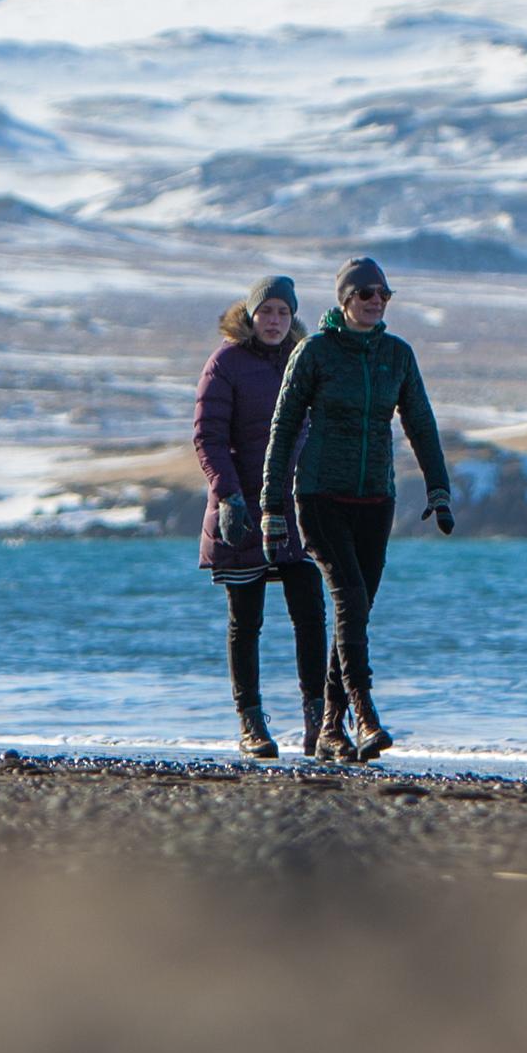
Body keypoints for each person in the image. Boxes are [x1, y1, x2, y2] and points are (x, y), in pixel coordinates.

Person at [255, 254, 453, 763]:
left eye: (383, 295)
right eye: (366, 294)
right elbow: (282, 428)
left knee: (357, 610)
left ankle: (329, 729)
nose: (376, 302)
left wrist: (439, 490)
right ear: (345, 300)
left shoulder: (397, 355)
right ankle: (363, 712)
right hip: (320, 494)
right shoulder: (316, 353)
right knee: (349, 599)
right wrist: (271, 505)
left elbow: (421, 423)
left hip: (375, 498)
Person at [192, 275, 328, 760]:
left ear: (293, 318)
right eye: (266, 311)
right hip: (242, 507)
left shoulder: (304, 360)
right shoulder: (226, 363)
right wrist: (228, 496)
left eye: (283, 313)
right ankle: (251, 723)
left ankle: (320, 722)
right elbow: (208, 437)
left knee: (311, 612)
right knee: (245, 619)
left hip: (296, 508)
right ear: (251, 315)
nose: (274, 321)